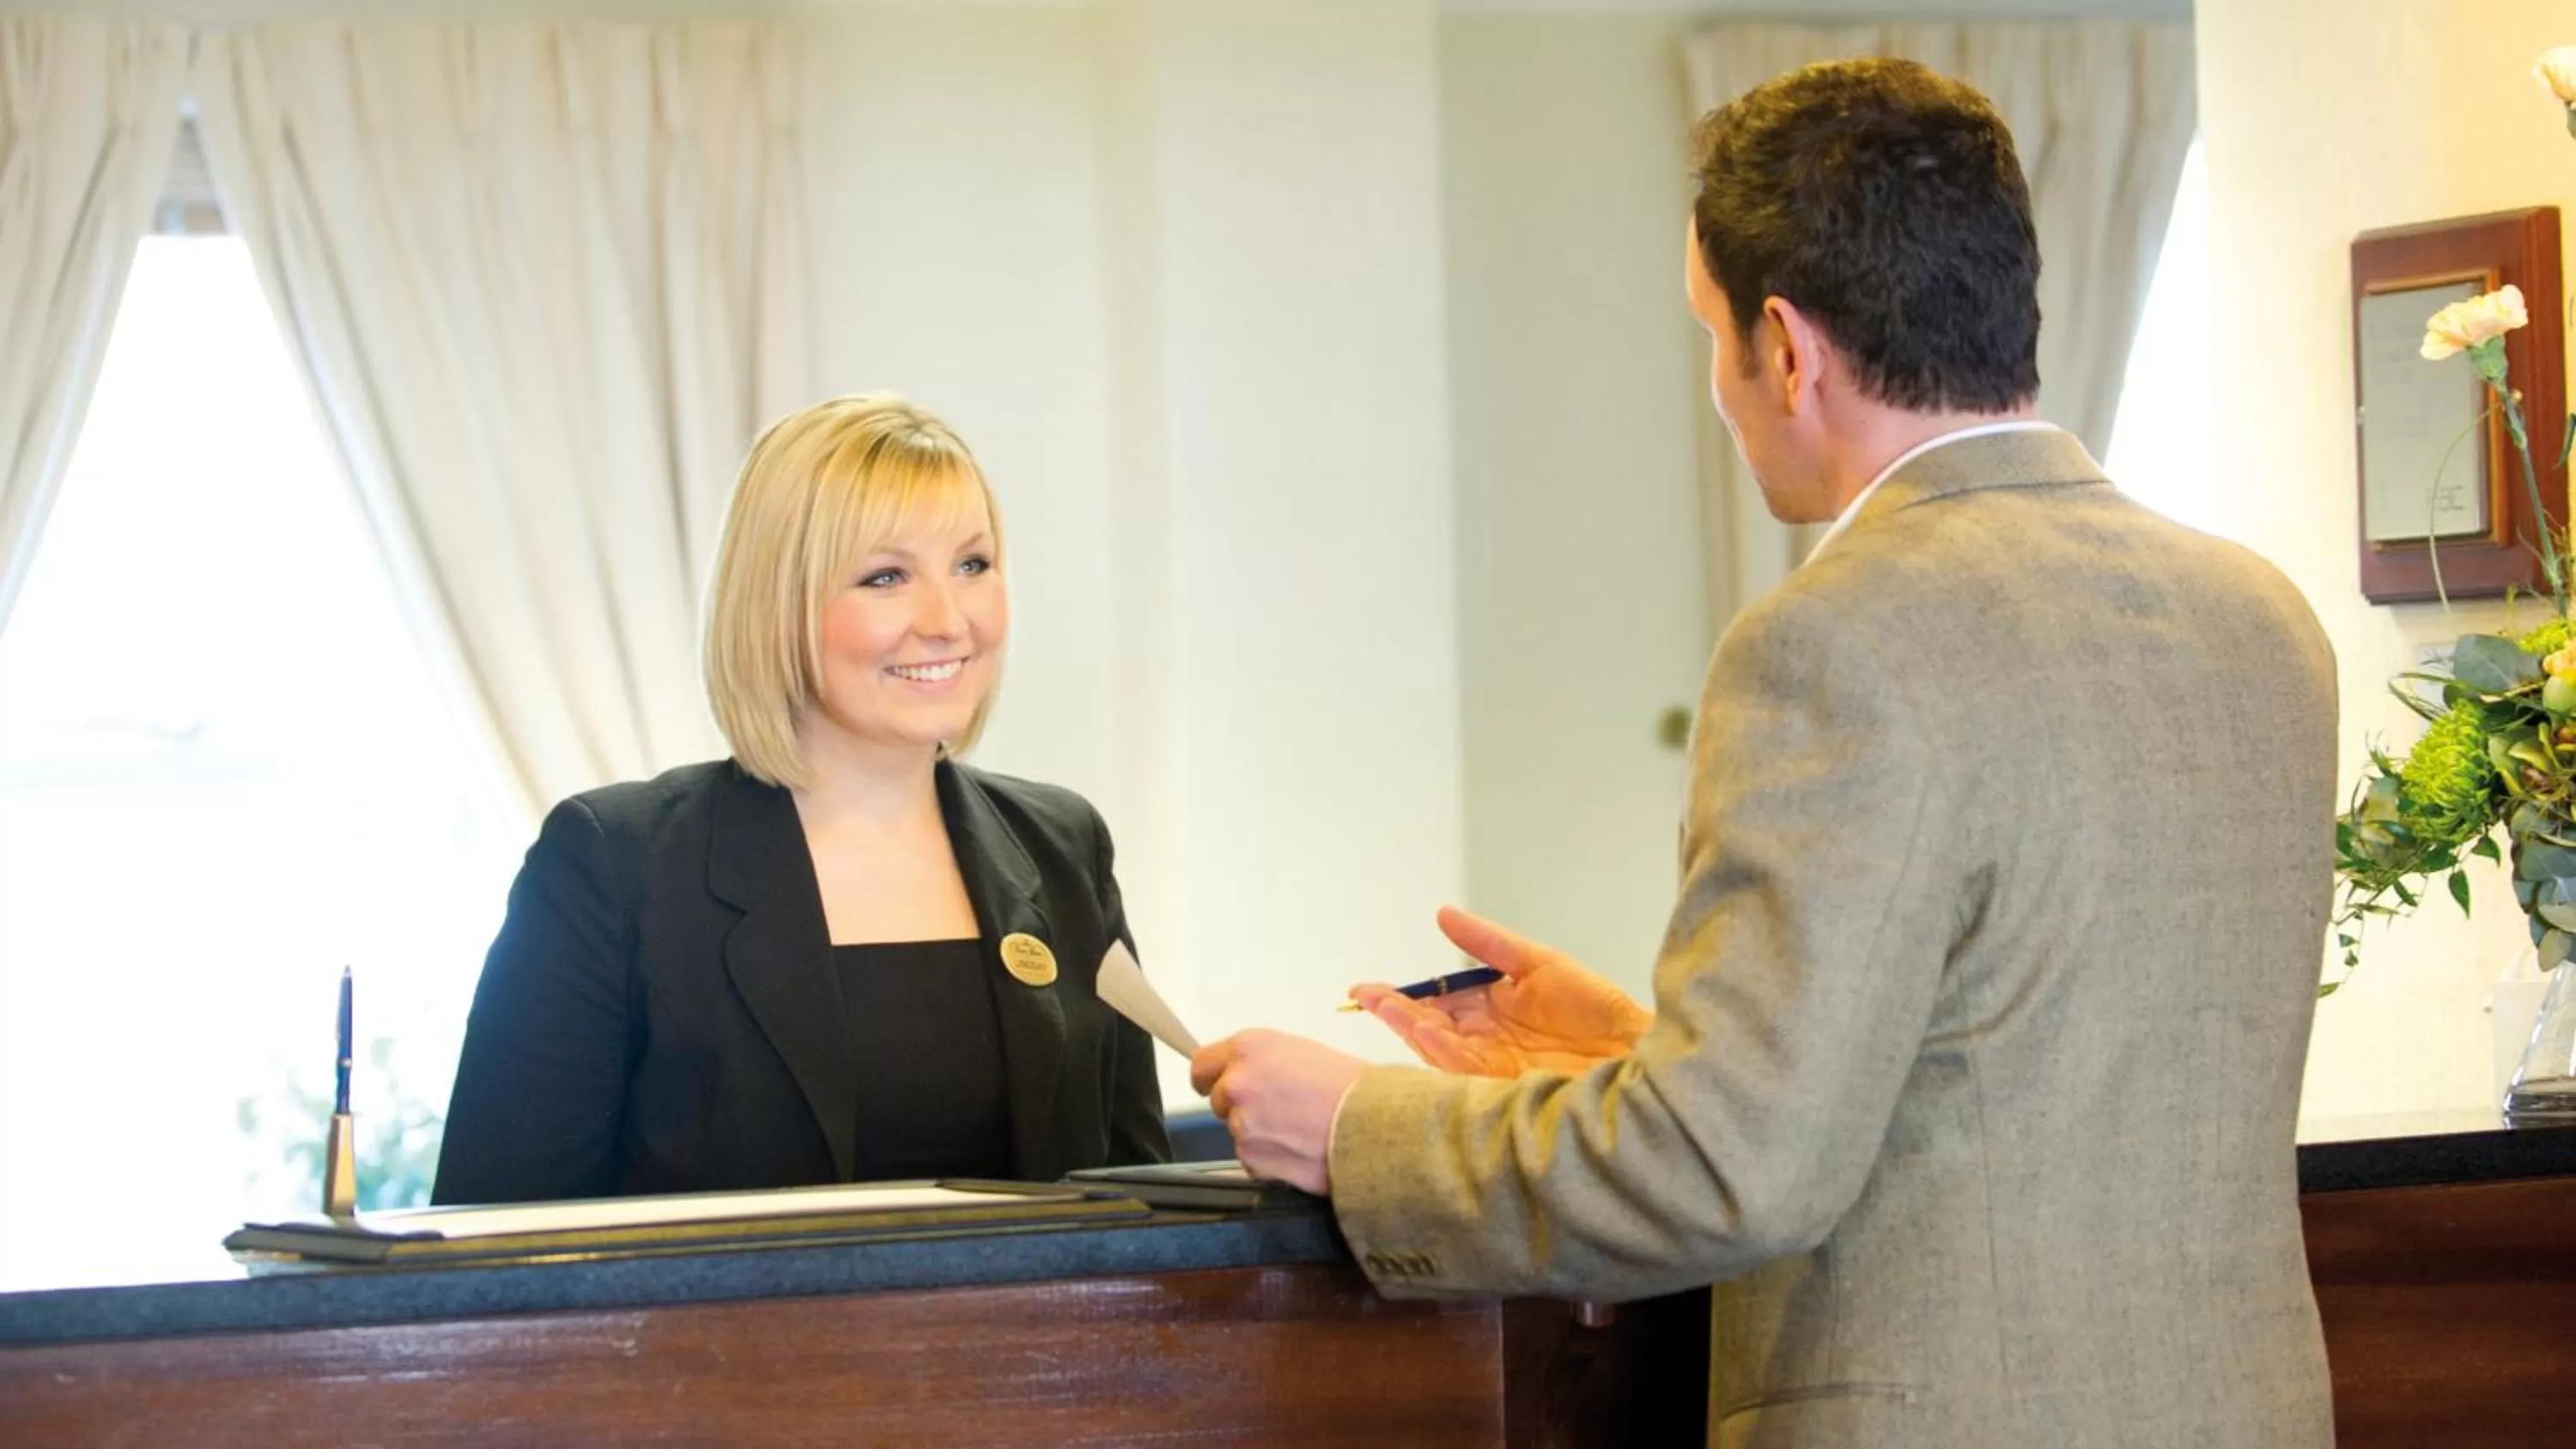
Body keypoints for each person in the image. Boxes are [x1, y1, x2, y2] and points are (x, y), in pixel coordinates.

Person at [1190, 58, 2336, 1446]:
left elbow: (1728, 1171)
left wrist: (1357, 1129)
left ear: (1785, 350)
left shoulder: (1834, 640)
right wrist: (1644, 1056)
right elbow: (2022, 1068)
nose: (1718, 386)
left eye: (1708, 334)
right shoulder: (2262, 621)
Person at [434, 393, 1168, 1206]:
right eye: (886, 577)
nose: (948, 620)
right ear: (777, 604)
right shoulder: (614, 863)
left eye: (972, 565)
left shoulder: (1063, 844)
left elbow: (1144, 1207)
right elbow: (495, 1232)